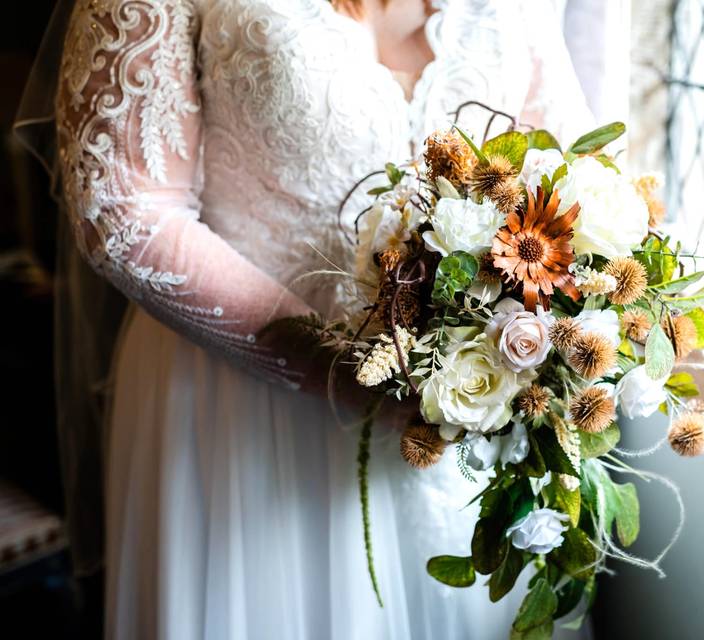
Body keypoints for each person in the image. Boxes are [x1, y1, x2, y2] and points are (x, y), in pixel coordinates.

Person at [18, 0, 595, 637]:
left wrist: (556, 335)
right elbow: (120, 207)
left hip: (467, 410)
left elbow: (574, 174)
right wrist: (338, 367)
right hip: (239, 412)